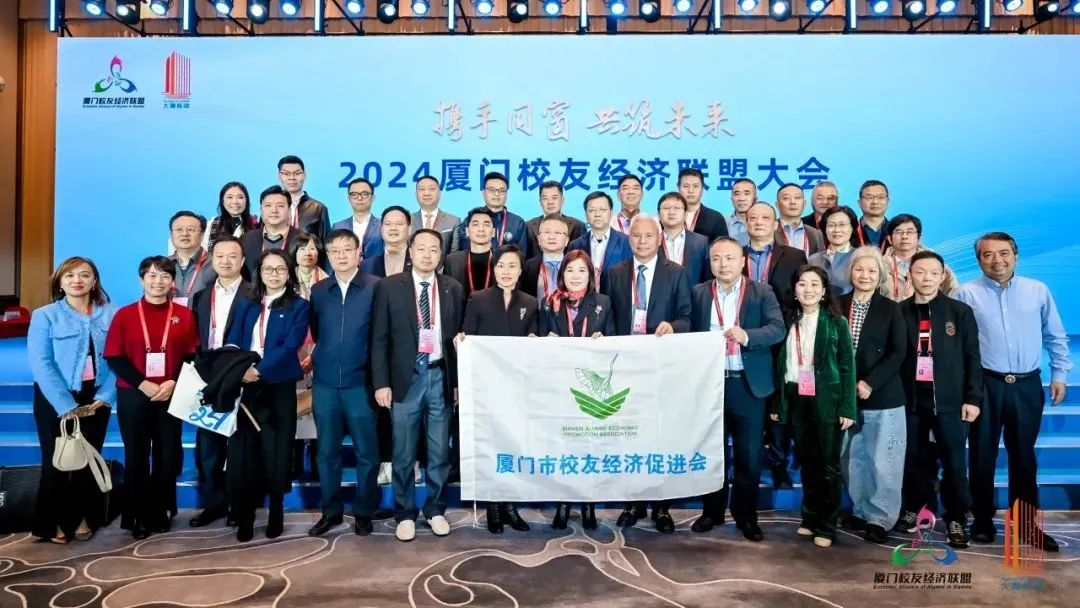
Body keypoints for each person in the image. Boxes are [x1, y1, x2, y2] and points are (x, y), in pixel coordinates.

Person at [955, 232, 1071, 552]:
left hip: (1026, 385)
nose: (997, 260)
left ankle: (1027, 525)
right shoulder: (965, 294)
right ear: (979, 260)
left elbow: (1055, 335)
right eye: (988, 255)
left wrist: (1059, 374)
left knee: (1023, 457)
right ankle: (981, 520)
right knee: (981, 456)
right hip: (985, 385)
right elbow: (956, 346)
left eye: (1004, 253)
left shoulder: (1038, 291)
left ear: (1015, 255)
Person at [372, 229, 466, 542]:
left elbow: (457, 339)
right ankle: (404, 512)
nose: (427, 255)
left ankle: (435, 509)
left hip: (440, 376)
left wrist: (457, 382)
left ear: (441, 255)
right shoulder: (389, 287)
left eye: (434, 249)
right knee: (403, 451)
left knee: (439, 450)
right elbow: (379, 338)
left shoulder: (452, 288)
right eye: (421, 248)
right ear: (410, 252)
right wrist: (381, 383)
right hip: (405, 379)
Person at [689, 238, 785, 542]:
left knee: (749, 455)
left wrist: (747, 336)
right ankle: (712, 512)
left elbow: (778, 329)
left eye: (730, 258)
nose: (723, 264)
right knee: (713, 453)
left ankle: (746, 517)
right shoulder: (699, 292)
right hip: (712, 385)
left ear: (743, 261)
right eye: (716, 258)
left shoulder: (762, 291)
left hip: (747, 385)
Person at [602, 214, 692, 533]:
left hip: (661, 366)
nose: (642, 241)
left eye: (648, 236)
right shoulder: (614, 273)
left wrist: (673, 326)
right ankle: (633, 502)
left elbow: (687, 316)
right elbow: (607, 316)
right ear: (629, 239)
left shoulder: (677, 273)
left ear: (659, 239)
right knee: (630, 437)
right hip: (625, 367)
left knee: (661, 436)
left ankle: (662, 507)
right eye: (636, 236)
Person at [105, 256, 199, 540]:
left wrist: (173, 381)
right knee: (136, 455)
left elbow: (191, 355)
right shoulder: (125, 315)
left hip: (170, 392)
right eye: (152, 276)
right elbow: (114, 357)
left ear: (173, 282)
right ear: (141, 280)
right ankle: (137, 515)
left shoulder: (183, 315)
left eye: (165, 276)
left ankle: (161, 510)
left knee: (166, 454)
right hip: (134, 393)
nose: (158, 281)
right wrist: (142, 384)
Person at [894, 250, 981, 549]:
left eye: (933, 273)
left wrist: (973, 398)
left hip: (951, 402)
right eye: (920, 272)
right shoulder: (899, 311)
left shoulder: (959, 312)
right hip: (911, 402)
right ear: (910, 276)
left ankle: (956, 517)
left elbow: (972, 357)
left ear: (943, 276)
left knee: (954, 463)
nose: (927, 278)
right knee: (914, 461)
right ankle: (916, 509)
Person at [28, 257, 117, 544]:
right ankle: (50, 523)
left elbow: (120, 358)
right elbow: (41, 363)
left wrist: (105, 396)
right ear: (60, 281)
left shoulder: (111, 314)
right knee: (56, 460)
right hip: (55, 396)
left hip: (95, 398)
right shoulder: (45, 315)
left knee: (88, 459)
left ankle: (82, 518)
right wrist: (65, 405)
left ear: (95, 280)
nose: (77, 280)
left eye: (84, 275)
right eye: (69, 275)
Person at [227, 250, 310, 542]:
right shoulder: (246, 304)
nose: (274, 274)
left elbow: (290, 346)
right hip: (245, 385)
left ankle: (276, 510)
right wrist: (241, 370)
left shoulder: (299, 306)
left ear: (289, 273)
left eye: (280, 269)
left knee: (277, 451)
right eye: (268, 269)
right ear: (259, 273)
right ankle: (246, 515)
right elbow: (232, 340)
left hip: (277, 386)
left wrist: (259, 371)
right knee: (245, 452)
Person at [770, 265, 856, 548]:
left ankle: (827, 526)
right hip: (796, 397)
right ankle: (810, 517)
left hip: (827, 400)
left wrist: (848, 407)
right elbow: (780, 367)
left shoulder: (836, 322)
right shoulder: (787, 321)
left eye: (815, 284)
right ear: (794, 290)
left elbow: (847, 367)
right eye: (802, 284)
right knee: (807, 462)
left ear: (823, 291)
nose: (808, 289)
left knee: (828, 465)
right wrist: (779, 403)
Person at [306, 229, 385, 537]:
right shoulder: (318, 290)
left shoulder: (376, 287)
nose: (341, 255)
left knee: (367, 452)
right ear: (328, 255)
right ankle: (331, 511)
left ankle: (364, 511)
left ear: (358, 253)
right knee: (327, 452)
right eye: (334, 251)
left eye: (346, 250)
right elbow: (317, 331)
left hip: (361, 383)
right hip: (325, 384)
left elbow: (381, 335)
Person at [455, 245, 539, 533]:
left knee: (514, 445)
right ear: (494, 269)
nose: (506, 271)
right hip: (486, 387)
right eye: (501, 265)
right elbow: (468, 337)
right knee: (491, 445)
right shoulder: (478, 299)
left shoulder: (530, 302)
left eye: (512, 266)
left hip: (517, 388)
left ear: (520, 270)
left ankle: (510, 506)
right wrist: (461, 341)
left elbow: (535, 339)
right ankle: (492, 506)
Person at [836, 246, 907, 544]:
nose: (864, 275)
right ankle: (861, 511)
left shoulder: (891, 308)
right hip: (845, 396)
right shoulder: (837, 304)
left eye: (871, 270)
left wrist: (869, 383)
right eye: (859, 269)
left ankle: (880, 518)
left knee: (883, 460)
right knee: (853, 459)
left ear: (880, 276)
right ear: (850, 272)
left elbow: (898, 352)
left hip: (881, 395)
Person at [540, 250, 615, 531]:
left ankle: (588, 503)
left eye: (581, 271)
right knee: (562, 444)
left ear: (590, 275)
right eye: (570, 270)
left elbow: (615, 340)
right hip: (560, 383)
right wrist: (545, 340)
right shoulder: (550, 302)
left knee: (589, 444)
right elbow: (538, 338)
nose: (575, 276)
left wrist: (604, 340)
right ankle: (563, 502)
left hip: (591, 386)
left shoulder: (603, 303)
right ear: (562, 274)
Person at [187, 237, 250, 529]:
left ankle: (239, 505)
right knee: (208, 446)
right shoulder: (201, 296)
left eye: (233, 256)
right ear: (213, 260)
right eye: (220, 256)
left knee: (239, 447)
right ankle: (213, 504)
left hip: (241, 373)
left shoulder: (255, 293)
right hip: (209, 375)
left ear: (242, 261)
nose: (226, 261)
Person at [745, 202, 806, 488]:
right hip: (744, 338)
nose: (758, 222)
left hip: (781, 337)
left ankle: (780, 464)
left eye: (765, 218)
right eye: (752, 218)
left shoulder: (794, 256)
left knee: (780, 401)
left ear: (775, 224)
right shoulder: (734, 255)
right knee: (749, 401)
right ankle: (748, 463)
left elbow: (800, 295)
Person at [291, 232, 324, 481]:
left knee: (317, 408)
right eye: (302, 249)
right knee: (292, 406)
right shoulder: (283, 278)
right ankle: (293, 462)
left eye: (312, 248)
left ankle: (315, 461)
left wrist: (317, 352)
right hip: (290, 352)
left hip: (318, 352)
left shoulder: (327, 281)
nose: (308, 253)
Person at [880, 214, 958, 302]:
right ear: (889, 238)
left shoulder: (936, 264)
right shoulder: (879, 266)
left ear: (919, 238)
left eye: (910, 232)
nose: (904, 236)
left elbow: (954, 293)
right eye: (899, 232)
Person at [567, 191, 632, 287]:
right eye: (592, 210)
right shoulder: (575, 245)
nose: (597, 214)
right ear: (585, 214)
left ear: (611, 212)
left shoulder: (626, 242)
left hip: (616, 296)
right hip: (586, 296)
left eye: (602, 210)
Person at [454, 172, 525, 252]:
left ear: (506, 194)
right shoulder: (469, 221)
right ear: (483, 193)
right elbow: (464, 252)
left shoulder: (517, 222)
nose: (497, 194)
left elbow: (521, 255)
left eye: (502, 190)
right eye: (492, 190)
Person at [242, 186, 300, 278]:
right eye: (268, 206)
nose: (274, 210)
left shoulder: (303, 240)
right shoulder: (246, 239)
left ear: (289, 211)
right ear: (261, 210)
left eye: (280, 206)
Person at [657, 192, 710, 284]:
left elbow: (707, 279)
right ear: (658, 215)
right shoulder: (651, 243)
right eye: (666, 208)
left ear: (685, 214)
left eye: (677, 208)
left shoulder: (701, 242)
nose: (671, 212)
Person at [443, 208, 496, 297]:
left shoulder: (502, 259)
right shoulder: (452, 261)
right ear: (467, 231)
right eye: (475, 224)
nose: (481, 229)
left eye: (486, 225)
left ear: (494, 232)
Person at [524, 181, 586, 257]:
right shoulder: (528, 226)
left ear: (562, 200)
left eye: (554, 198)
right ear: (540, 202)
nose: (550, 202)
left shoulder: (577, 226)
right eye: (545, 198)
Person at [808, 206, 860, 295]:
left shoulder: (860, 256)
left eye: (842, 225)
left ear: (852, 228)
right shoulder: (814, 259)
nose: (836, 230)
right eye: (831, 225)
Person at [278, 155, 331, 242]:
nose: (292, 178)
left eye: (297, 173)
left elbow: (327, 243)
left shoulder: (318, 208)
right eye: (286, 174)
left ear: (305, 175)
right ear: (279, 176)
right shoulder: (270, 208)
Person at [168, 211, 216, 307]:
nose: (185, 234)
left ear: (202, 235)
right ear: (171, 234)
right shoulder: (162, 265)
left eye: (191, 230)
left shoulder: (215, 264)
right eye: (179, 229)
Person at [331, 178, 384, 259]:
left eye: (365, 194)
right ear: (349, 198)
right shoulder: (338, 227)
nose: (359, 198)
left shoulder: (382, 225)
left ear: (373, 197)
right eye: (354, 194)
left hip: (376, 267)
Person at [521, 215, 570, 299]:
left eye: (557, 233)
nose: (552, 237)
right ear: (539, 239)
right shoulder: (526, 267)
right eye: (547, 232)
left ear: (566, 240)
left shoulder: (577, 265)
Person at [410, 176, 461, 255]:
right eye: (422, 189)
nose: (427, 193)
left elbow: (454, 254)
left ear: (440, 194)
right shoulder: (407, 221)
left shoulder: (453, 221)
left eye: (432, 189)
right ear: (416, 194)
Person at [677, 168, 730, 243]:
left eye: (695, 186)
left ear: (702, 190)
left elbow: (724, 246)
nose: (691, 190)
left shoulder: (716, 218)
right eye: (686, 186)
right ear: (678, 189)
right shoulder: (670, 216)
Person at [205, 181, 260, 250]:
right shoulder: (212, 224)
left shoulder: (255, 224)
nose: (235, 202)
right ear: (222, 200)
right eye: (229, 197)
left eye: (240, 197)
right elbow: (206, 252)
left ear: (246, 200)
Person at [775, 183, 825, 256]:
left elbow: (820, 260)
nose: (793, 202)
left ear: (804, 203)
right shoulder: (770, 230)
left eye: (797, 197)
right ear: (777, 205)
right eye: (786, 198)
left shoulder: (816, 234)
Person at [363, 206, 413, 278]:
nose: (393, 228)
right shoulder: (367, 265)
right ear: (381, 229)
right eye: (388, 224)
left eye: (399, 224)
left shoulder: (420, 261)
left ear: (409, 229)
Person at [856, 180, 890, 250]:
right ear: (859, 203)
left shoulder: (895, 230)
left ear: (888, 201)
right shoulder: (850, 231)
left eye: (881, 197)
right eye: (869, 197)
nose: (875, 202)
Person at [725, 178, 757, 246]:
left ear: (755, 198)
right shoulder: (723, 223)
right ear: (731, 199)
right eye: (737, 194)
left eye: (746, 194)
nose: (741, 198)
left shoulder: (763, 223)